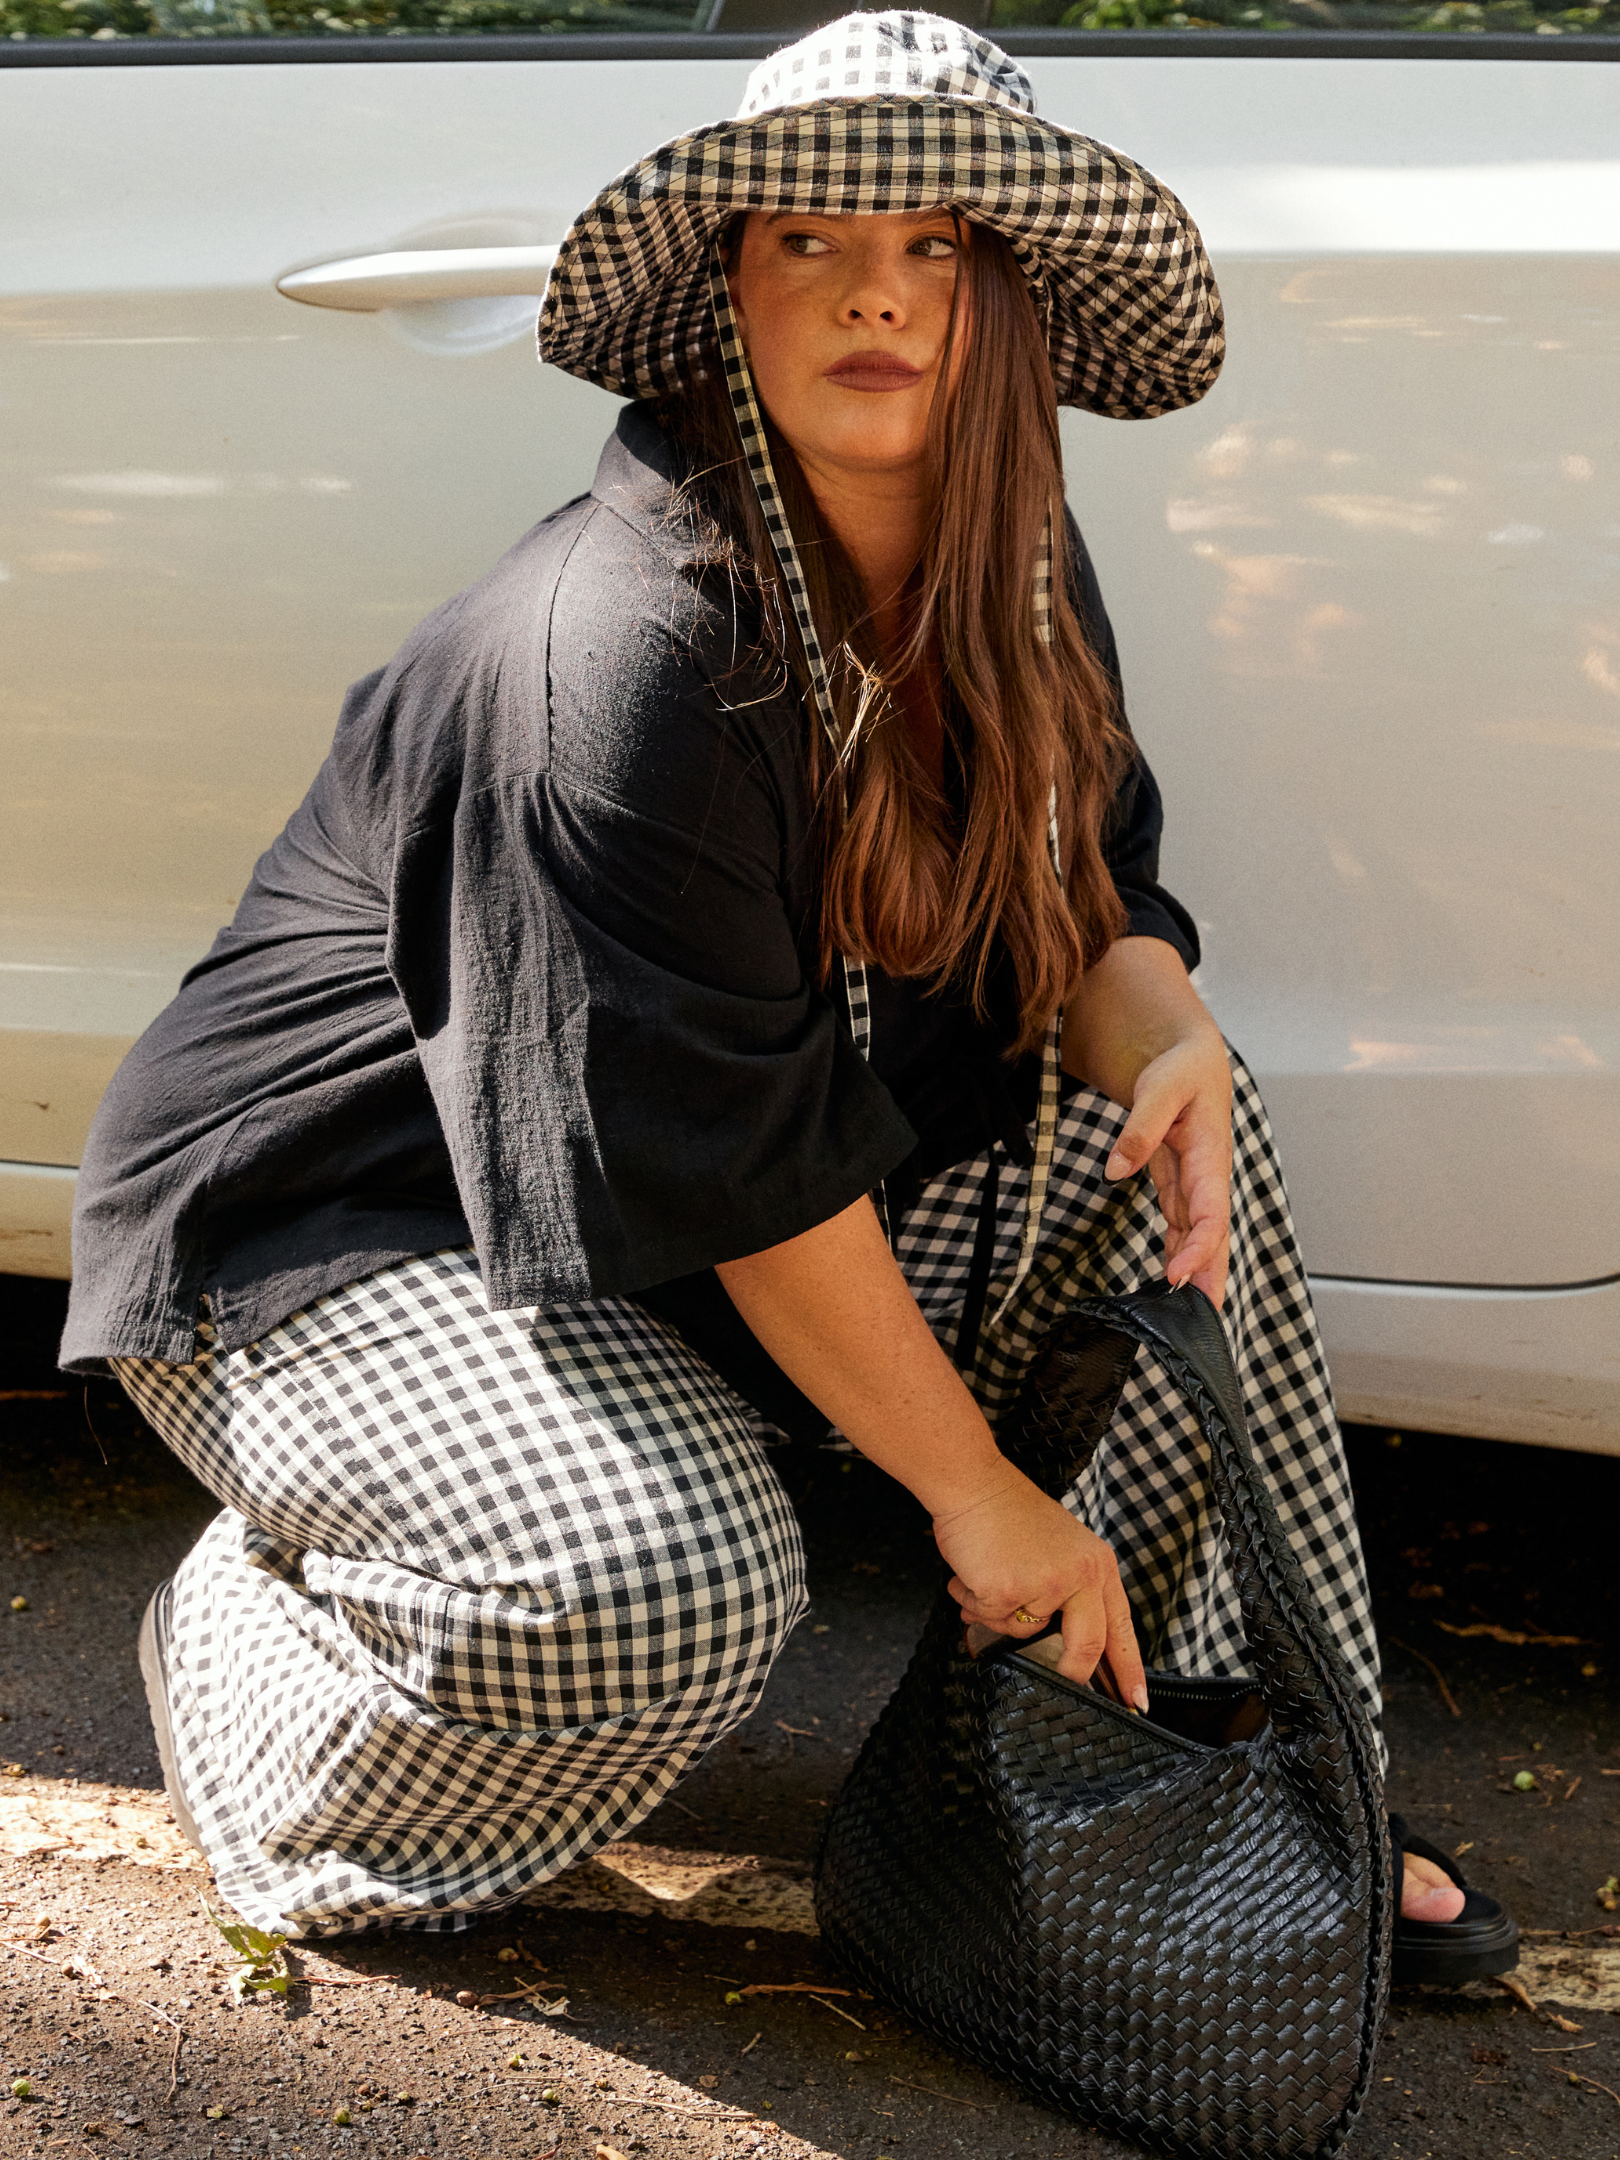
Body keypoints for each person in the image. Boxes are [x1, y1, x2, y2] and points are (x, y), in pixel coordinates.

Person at [61, 11, 1511, 1983]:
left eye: (935, 248)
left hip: (640, 1202)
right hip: (342, 1230)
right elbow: (734, 1152)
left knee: (1180, 1121)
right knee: (664, 1586)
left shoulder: (1008, 563)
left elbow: (1083, 882)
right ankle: (267, 1680)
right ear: (729, 291)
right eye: (808, 240)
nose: (873, 294)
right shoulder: (623, 650)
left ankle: (1202, 1768)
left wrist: (1157, 1009)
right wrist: (977, 1497)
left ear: (1011, 302)